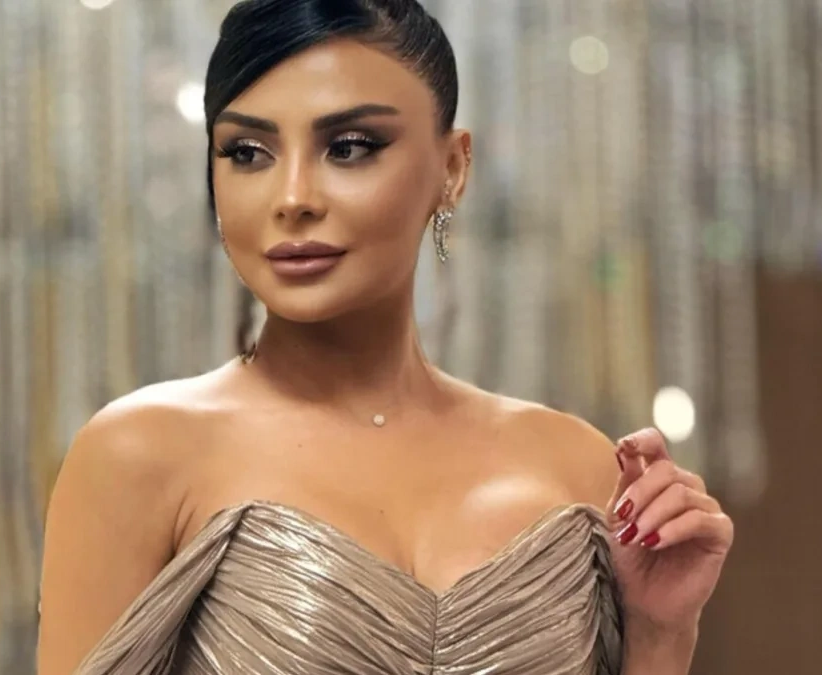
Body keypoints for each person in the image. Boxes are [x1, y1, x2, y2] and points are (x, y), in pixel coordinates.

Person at [36, 1, 734, 673]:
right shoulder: (138, 455)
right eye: (248, 153)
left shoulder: (577, 467)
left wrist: (661, 633)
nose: (292, 197)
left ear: (452, 168)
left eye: (349, 147)